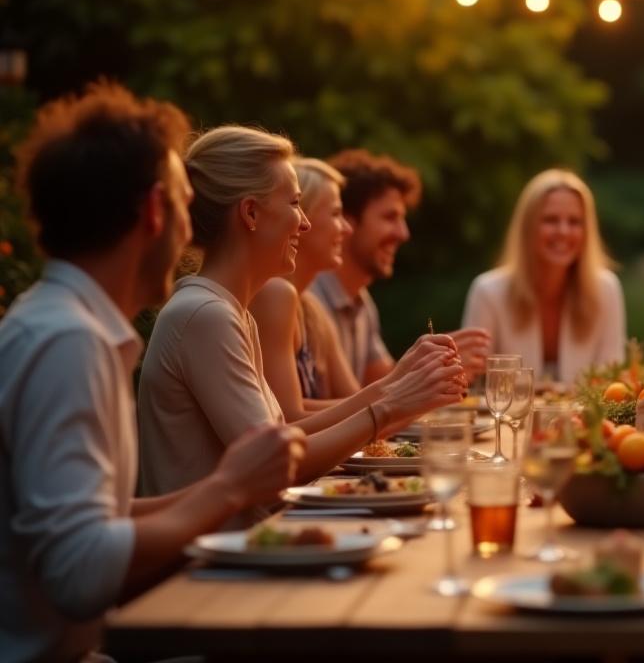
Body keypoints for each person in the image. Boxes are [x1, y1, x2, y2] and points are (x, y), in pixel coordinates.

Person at [0, 83, 305, 661]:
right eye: (185, 205)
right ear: (154, 212)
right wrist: (228, 489)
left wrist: (228, 489)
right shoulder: (68, 340)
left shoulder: (63, 323)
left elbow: (103, 520)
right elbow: (79, 574)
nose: (192, 229)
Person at [137, 126, 465, 524]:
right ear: (250, 213)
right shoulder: (206, 315)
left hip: (244, 544)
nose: (304, 223)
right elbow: (278, 468)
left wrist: (397, 385)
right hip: (212, 556)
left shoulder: (229, 312)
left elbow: (288, 440)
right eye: (295, 203)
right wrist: (390, 405)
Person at [310, 149, 490, 386]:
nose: (403, 233)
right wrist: (429, 370)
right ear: (348, 221)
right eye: (389, 217)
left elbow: (384, 385)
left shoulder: (361, 303)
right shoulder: (310, 297)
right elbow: (374, 398)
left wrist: (437, 366)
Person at [462, 169, 625, 384]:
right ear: (527, 227)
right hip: (508, 408)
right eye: (550, 220)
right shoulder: (488, 292)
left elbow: (611, 379)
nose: (563, 231)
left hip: (584, 408)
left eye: (575, 222)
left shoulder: (606, 289)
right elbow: (471, 381)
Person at [250, 158, 366, 419]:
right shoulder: (273, 294)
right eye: (336, 214)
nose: (347, 229)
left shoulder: (311, 308)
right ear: (301, 218)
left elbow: (354, 399)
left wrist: (410, 389)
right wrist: (397, 394)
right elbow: (288, 416)